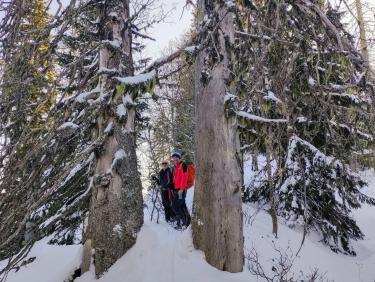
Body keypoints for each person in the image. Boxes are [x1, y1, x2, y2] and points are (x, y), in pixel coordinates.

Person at [171, 152, 191, 229]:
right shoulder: (175, 167)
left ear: (179, 158)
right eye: (173, 159)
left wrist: (182, 189)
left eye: (176, 158)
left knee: (175, 206)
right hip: (177, 190)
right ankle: (188, 222)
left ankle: (184, 223)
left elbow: (184, 177)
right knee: (182, 206)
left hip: (181, 190)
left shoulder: (183, 165)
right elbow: (176, 179)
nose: (175, 160)